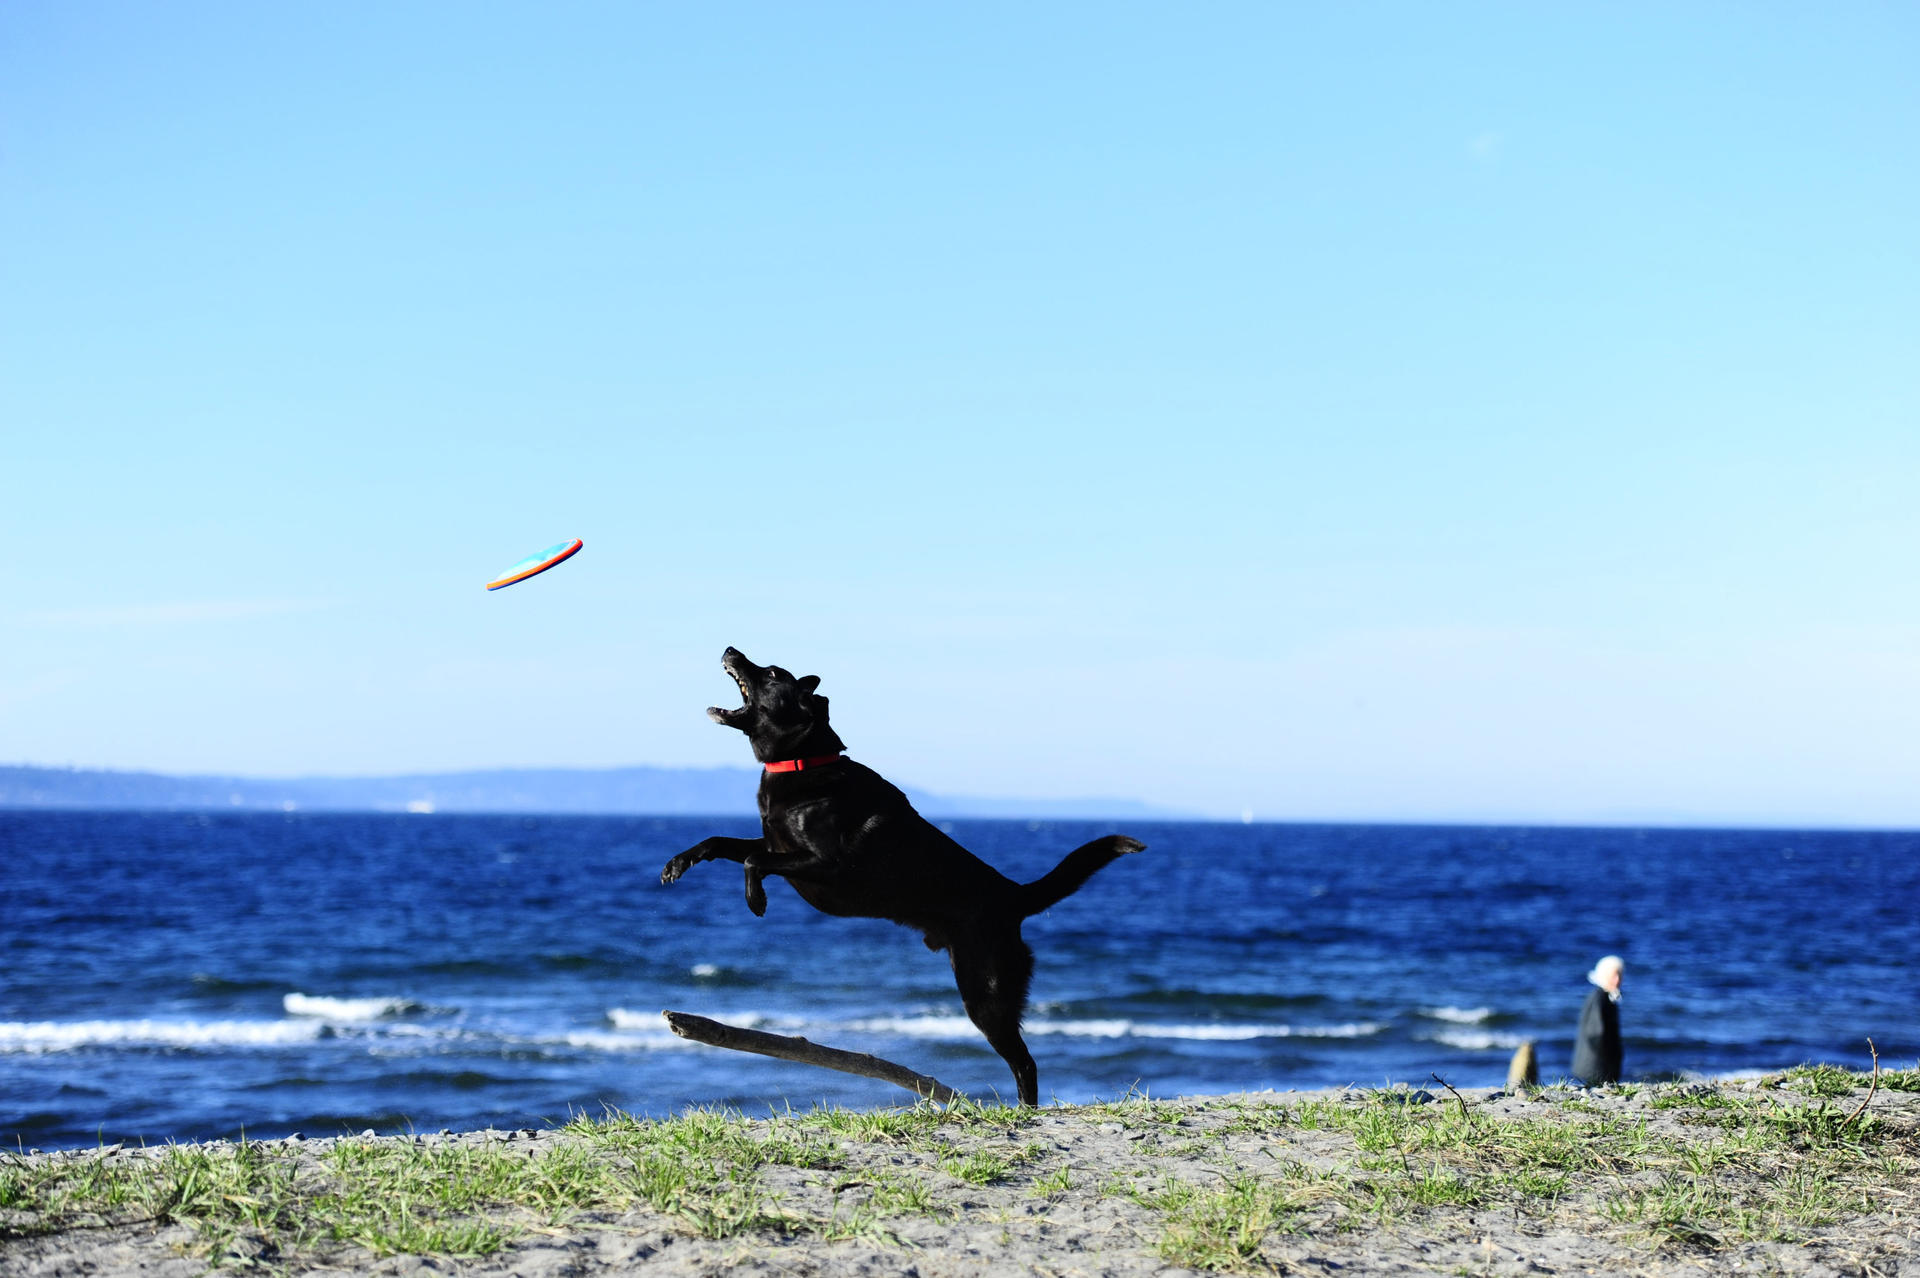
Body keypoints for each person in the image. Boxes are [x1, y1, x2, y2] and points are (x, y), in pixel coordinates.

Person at [1572, 955, 1624, 1085]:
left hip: (1597, 1065)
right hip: (1595, 1066)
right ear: (1603, 975)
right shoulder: (1599, 998)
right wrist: (1611, 1055)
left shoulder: (1607, 997)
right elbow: (1595, 1032)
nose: (1617, 980)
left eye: (1619, 975)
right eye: (1613, 976)